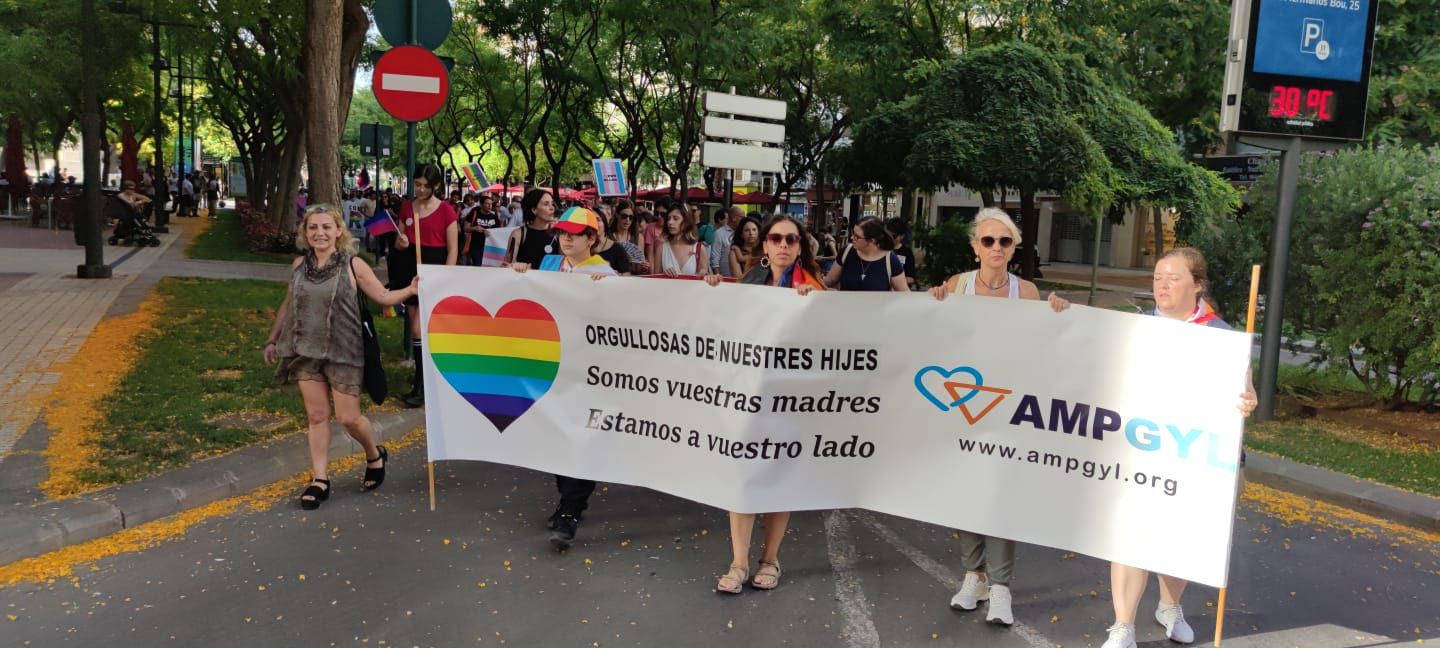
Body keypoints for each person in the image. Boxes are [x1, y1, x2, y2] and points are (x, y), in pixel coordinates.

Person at [1099, 247, 1258, 648]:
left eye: (1173, 278)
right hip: (1138, 449)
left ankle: (1169, 606)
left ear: (1197, 285)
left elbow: (1243, 393)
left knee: (1179, 536)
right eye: (1157, 277)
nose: (1162, 285)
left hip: (1192, 457)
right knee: (1130, 534)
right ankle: (1123, 625)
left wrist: (1247, 402)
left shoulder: (1221, 337)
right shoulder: (1135, 328)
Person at [928, 208, 1069, 626]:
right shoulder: (956, 286)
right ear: (975, 247)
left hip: (1007, 406)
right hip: (964, 406)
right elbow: (935, 337)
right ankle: (975, 576)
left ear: (1014, 248)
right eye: (988, 241)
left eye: (1004, 241)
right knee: (968, 493)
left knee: (1002, 494)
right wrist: (935, 304)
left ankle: (1002, 587)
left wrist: (1057, 311)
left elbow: (1043, 343)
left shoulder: (1026, 292)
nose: (995, 248)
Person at [263, 204, 418, 510]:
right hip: (306, 351)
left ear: (338, 231)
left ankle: (374, 454)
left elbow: (383, 297)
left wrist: (410, 289)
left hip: (344, 351)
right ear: (305, 233)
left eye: (325, 227)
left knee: (348, 418)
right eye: (313, 228)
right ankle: (319, 479)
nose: (319, 233)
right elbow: (289, 303)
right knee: (317, 416)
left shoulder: (353, 264)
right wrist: (273, 339)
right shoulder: (298, 265)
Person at [702, 215, 824, 594]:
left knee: (777, 479)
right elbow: (731, 327)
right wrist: (715, 290)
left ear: (800, 246)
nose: (783, 245)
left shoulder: (813, 287)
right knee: (741, 476)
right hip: (749, 396)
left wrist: (813, 307)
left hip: (790, 401)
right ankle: (738, 562)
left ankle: (770, 558)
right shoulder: (751, 281)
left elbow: (829, 347)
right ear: (765, 246)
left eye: (791, 239)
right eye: (776, 238)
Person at [511, 207, 614, 548]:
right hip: (554, 366)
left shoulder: (605, 273)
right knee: (556, 436)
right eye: (563, 232)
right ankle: (568, 501)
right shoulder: (551, 266)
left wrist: (609, 292)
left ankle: (570, 512)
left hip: (589, 372)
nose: (567, 238)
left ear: (592, 239)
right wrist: (521, 274)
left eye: (575, 233)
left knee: (581, 437)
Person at [389, 163, 460, 408]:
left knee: (420, 329)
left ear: (436, 186)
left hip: (434, 269)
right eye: (416, 184)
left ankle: (422, 386)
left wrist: (446, 278)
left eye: (425, 186)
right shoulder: (407, 207)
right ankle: (422, 382)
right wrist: (400, 242)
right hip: (411, 270)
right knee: (417, 327)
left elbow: (453, 249)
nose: (419, 189)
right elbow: (399, 240)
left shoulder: (446, 211)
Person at [823, 217, 909, 292]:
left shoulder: (890, 259)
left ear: (872, 240)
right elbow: (830, 280)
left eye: (857, 236)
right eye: (853, 233)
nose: (852, 238)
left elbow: (904, 293)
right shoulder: (847, 251)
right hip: (846, 309)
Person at [505, 188, 559, 267]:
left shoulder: (558, 233)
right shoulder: (518, 234)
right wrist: (514, 266)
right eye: (546, 204)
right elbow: (507, 264)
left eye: (552, 203)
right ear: (534, 210)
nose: (552, 208)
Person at [658, 203, 707, 277]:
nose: (670, 222)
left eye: (675, 218)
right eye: (668, 218)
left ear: (686, 221)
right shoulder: (661, 248)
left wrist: (704, 274)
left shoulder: (699, 248)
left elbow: (704, 279)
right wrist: (663, 275)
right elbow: (654, 280)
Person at [464, 195, 505, 266]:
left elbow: (498, 231)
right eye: (487, 204)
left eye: (491, 204)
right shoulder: (475, 212)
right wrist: (474, 228)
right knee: (478, 266)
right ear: (481, 205)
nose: (490, 206)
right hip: (476, 247)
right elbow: (466, 228)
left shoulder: (494, 214)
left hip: (490, 247)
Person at [885, 217, 918, 290]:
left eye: (894, 236)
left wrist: (895, 281)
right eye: (888, 234)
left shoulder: (907, 252)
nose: (890, 238)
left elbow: (911, 278)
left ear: (902, 236)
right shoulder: (881, 249)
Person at [710, 206, 739, 276]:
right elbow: (715, 259)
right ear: (734, 218)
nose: (744, 219)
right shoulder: (719, 233)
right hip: (725, 278)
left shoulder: (741, 233)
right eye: (742, 217)